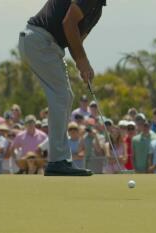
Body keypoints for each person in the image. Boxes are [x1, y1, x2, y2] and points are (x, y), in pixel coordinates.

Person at [19, 0, 107, 176]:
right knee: (61, 96)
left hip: (43, 43)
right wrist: (83, 62)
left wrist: (82, 64)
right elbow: (68, 23)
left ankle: (60, 160)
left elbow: (75, 40)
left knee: (65, 96)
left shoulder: (97, 11)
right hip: (40, 40)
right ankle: (58, 161)